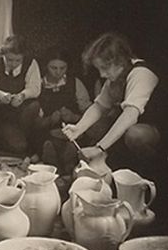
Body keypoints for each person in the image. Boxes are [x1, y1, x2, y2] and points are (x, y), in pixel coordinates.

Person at [61, 32, 160, 169]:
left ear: (119, 60)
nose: (102, 74)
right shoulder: (116, 75)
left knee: (135, 134)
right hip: (127, 126)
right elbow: (99, 106)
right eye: (99, 69)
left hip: (154, 129)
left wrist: (99, 148)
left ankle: (152, 169)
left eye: (105, 68)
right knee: (94, 128)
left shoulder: (142, 73)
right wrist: (79, 128)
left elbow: (130, 115)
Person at [0, 35, 42, 155]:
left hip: (18, 113)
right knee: (18, 146)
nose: (13, 64)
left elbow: (35, 88)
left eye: (18, 60)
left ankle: (20, 137)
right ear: (4, 54)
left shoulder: (31, 63)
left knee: (34, 106)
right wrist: (0, 94)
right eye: (10, 60)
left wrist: (22, 96)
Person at [33, 46, 92, 174]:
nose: (58, 72)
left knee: (75, 142)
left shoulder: (75, 83)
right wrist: (49, 120)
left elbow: (89, 113)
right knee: (46, 141)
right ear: (46, 66)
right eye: (53, 68)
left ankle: (69, 163)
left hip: (73, 130)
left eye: (62, 68)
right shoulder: (38, 84)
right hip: (47, 130)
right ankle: (52, 161)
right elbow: (34, 121)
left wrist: (73, 117)